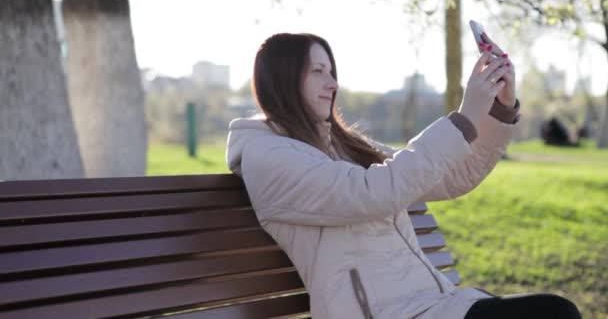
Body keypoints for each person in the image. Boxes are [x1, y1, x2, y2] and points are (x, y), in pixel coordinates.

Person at [226, 33, 581, 319]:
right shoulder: (268, 157)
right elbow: (372, 192)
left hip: (430, 303)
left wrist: (498, 110)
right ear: (283, 78)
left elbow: (449, 176)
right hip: (382, 313)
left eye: (332, 72)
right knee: (553, 313)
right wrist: (464, 118)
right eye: (317, 71)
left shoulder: (343, 145)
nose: (332, 83)